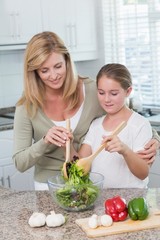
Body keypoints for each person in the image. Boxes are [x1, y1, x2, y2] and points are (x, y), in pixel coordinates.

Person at [12, 31, 159, 190]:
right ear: (34, 72)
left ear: (67, 61)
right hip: (49, 185)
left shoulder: (91, 90)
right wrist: (45, 141)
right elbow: (20, 163)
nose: (53, 75)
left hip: (88, 185)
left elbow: (124, 117)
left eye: (58, 66)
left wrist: (156, 138)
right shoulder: (27, 105)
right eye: (44, 70)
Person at [69, 63, 156, 188]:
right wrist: (67, 145)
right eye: (101, 92)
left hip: (130, 200)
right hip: (99, 198)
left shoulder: (140, 124)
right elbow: (80, 164)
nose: (106, 99)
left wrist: (124, 150)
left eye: (113, 93)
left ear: (128, 91)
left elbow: (143, 173)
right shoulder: (96, 124)